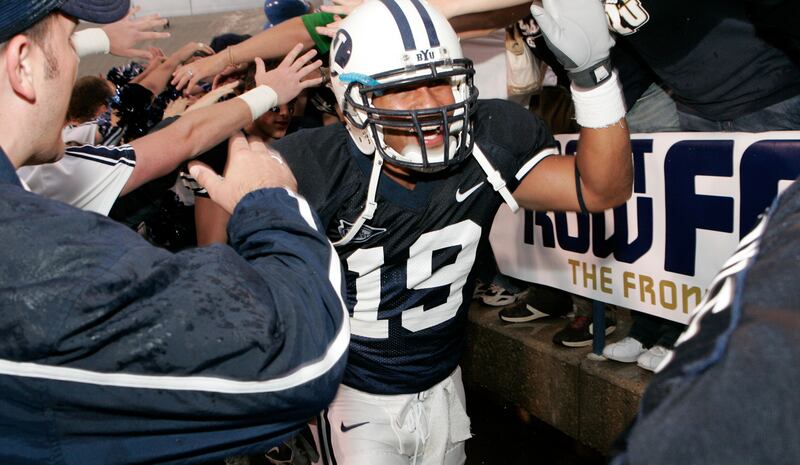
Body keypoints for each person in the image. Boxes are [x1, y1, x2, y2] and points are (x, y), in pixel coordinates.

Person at [205, 0, 629, 463]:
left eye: (442, 82)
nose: (430, 105)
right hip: (352, 394)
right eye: (404, 89)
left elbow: (600, 189)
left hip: (446, 382)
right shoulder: (313, 166)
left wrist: (593, 77)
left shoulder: (490, 139)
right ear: (354, 102)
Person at [0, 1, 348, 464]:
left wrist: (94, 39)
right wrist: (273, 203)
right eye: (69, 42)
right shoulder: (54, 256)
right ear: (22, 65)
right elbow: (299, 358)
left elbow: (175, 139)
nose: (75, 61)